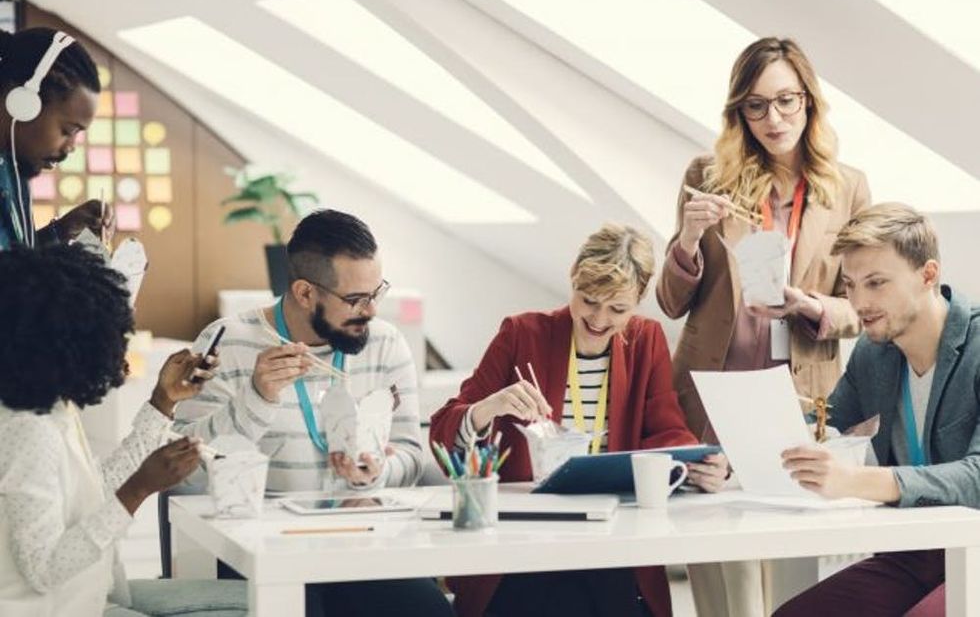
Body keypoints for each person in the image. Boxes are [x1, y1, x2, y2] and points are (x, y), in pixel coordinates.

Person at [655, 36, 871, 617]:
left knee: (796, 584)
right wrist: (689, 239)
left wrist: (812, 306)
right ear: (738, 112)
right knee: (727, 588)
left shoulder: (847, 186)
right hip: (714, 397)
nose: (773, 119)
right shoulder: (707, 175)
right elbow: (672, 303)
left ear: (809, 102)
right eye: (755, 105)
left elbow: (865, 308)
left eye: (785, 101)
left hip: (801, 401)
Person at [429, 223, 729, 617]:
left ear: (638, 301)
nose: (599, 319)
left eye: (618, 309)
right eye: (588, 300)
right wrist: (488, 408)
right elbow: (443, 430)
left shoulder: (645, 339)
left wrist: (700, 462)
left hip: (612, 535)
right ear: (572, 280)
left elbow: (666, 429)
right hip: (524, 542)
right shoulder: (522, 333)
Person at [174, 209, 453, 617]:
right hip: (261, 550)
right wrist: (256, 399)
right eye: (356, 299)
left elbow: (410, 455)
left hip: (362, 547)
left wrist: (377, 471)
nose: (372, 311)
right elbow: (183, 474)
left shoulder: (386, 344)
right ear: (305, 293)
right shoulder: (227, 343)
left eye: (377, 293)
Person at [0, 244, 247, 617]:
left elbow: (94, 493)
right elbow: (43, 569)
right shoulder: (29, 431)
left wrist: (163, 402)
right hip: (59, 608)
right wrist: (138, 490)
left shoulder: (49, 408)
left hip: (92, 597)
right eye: (117, 331)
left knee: (257, 600)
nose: (123, 343)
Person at [775, 204, 980, 616]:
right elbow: (825, 426)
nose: (859, 302)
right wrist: (739, 450)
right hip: (918, 554)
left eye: (877, 283)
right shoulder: (873, 354)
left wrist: (857, 480)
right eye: (850, 285)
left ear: (928, 275)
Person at [0, 27, 114, 251]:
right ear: (23, 105)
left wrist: (60, 231)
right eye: (68, 130)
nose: (71, 147)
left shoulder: (12, 170)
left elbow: (14, 262)